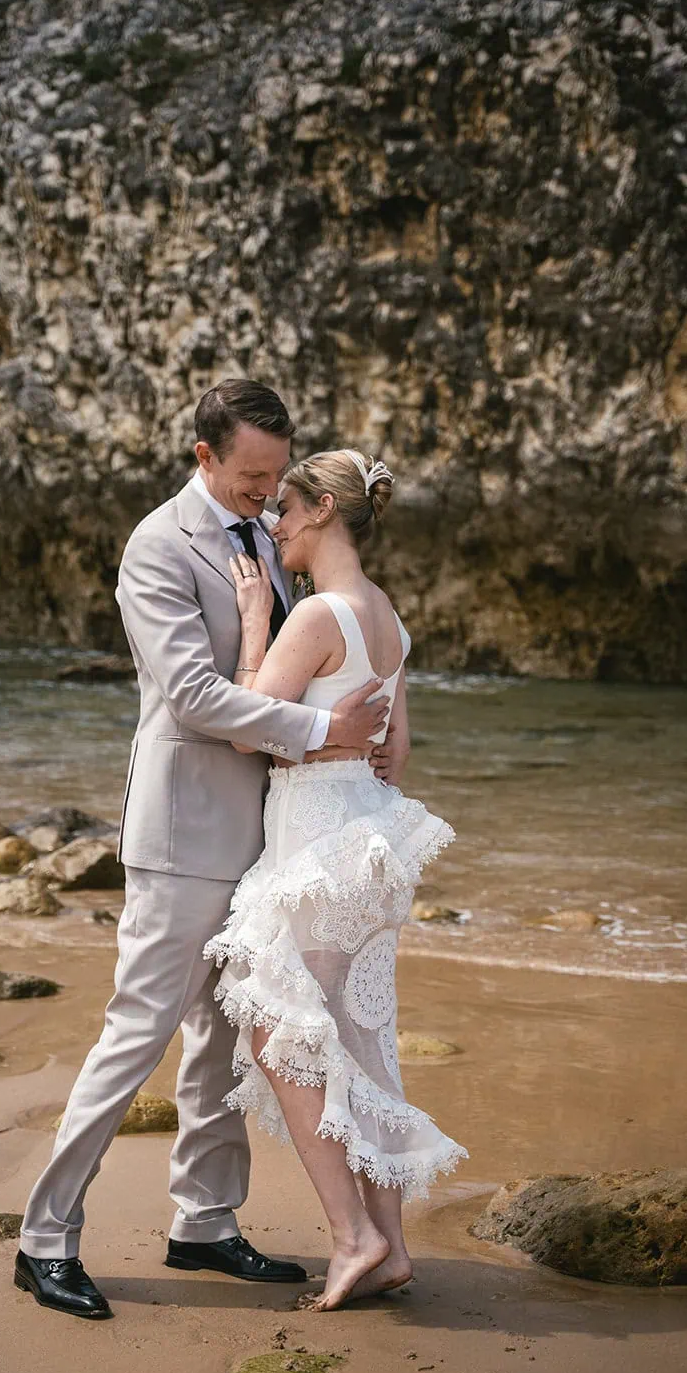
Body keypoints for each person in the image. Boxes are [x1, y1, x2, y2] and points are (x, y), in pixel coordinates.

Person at [14, 382, 394, 1320]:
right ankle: (44, 1239)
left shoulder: (270, 533)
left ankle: (205, 1222)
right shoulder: (157, 545)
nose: (265, 493)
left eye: (277, 476)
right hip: (183, 832)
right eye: (250, 474)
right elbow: (191, 694)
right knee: (136, 1033)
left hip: (270, 834)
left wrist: (353, 749)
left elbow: (291, 662)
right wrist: (325, 732)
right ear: (204, 456)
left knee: (225, 1037)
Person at [204, 448, 468, 1311]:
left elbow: (248, 728)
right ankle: (389, 1247)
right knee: (357, 1042)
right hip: (371, 836)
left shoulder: (316, 614)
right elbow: (395, 751)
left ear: (321, 508)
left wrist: (253, 627)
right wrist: (339, 744)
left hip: (315, 839)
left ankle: (355, 1238)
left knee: (276, 1031)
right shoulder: (386, 615)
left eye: (283, 508)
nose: (273, 524)